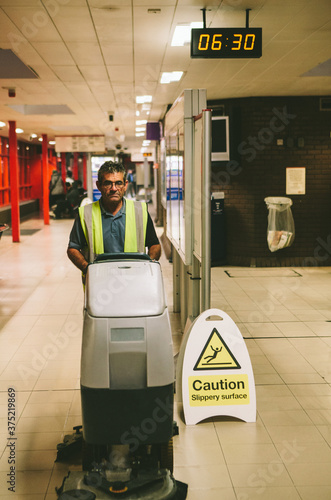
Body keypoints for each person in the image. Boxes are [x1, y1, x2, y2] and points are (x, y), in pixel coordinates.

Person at [67, 161, 161, 279]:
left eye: (118, 183)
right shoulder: (85, 214)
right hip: (99, 282)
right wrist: (87, 268)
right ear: (98, 185)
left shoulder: (140, 211)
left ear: (125, 185)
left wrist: (148, 266)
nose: (114, 188)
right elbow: (73, 248)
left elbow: (154, 245)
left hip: (134, 281)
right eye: (108, 183)